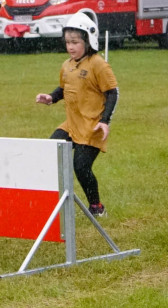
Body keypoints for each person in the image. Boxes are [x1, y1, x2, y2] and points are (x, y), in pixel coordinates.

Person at [35, 12, 118, 217]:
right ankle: (51, 204)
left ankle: (97, 207)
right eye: (67, 42)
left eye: (75, 42)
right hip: (71, 124)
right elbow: (64, 88)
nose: (70, 47)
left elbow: (112, 92)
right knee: (50, 151)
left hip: (92, 127)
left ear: (88, 40)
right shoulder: (67, 65)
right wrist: (51, 97)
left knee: (81, 167)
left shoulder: (98, 64)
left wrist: (105, 121)